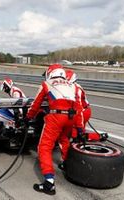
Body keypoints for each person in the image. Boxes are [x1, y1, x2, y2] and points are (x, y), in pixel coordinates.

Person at [25, 64, 84, 195]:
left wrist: (28, 117)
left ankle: (49, 183)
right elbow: (79, 107)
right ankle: (66, 163)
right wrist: (80, 128)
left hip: (57, 116)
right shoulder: (72, 85)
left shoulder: (46, 83)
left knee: (44, 147)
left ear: (50, 73)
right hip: (72, 117)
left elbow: (36, 104)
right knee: (63, 140)